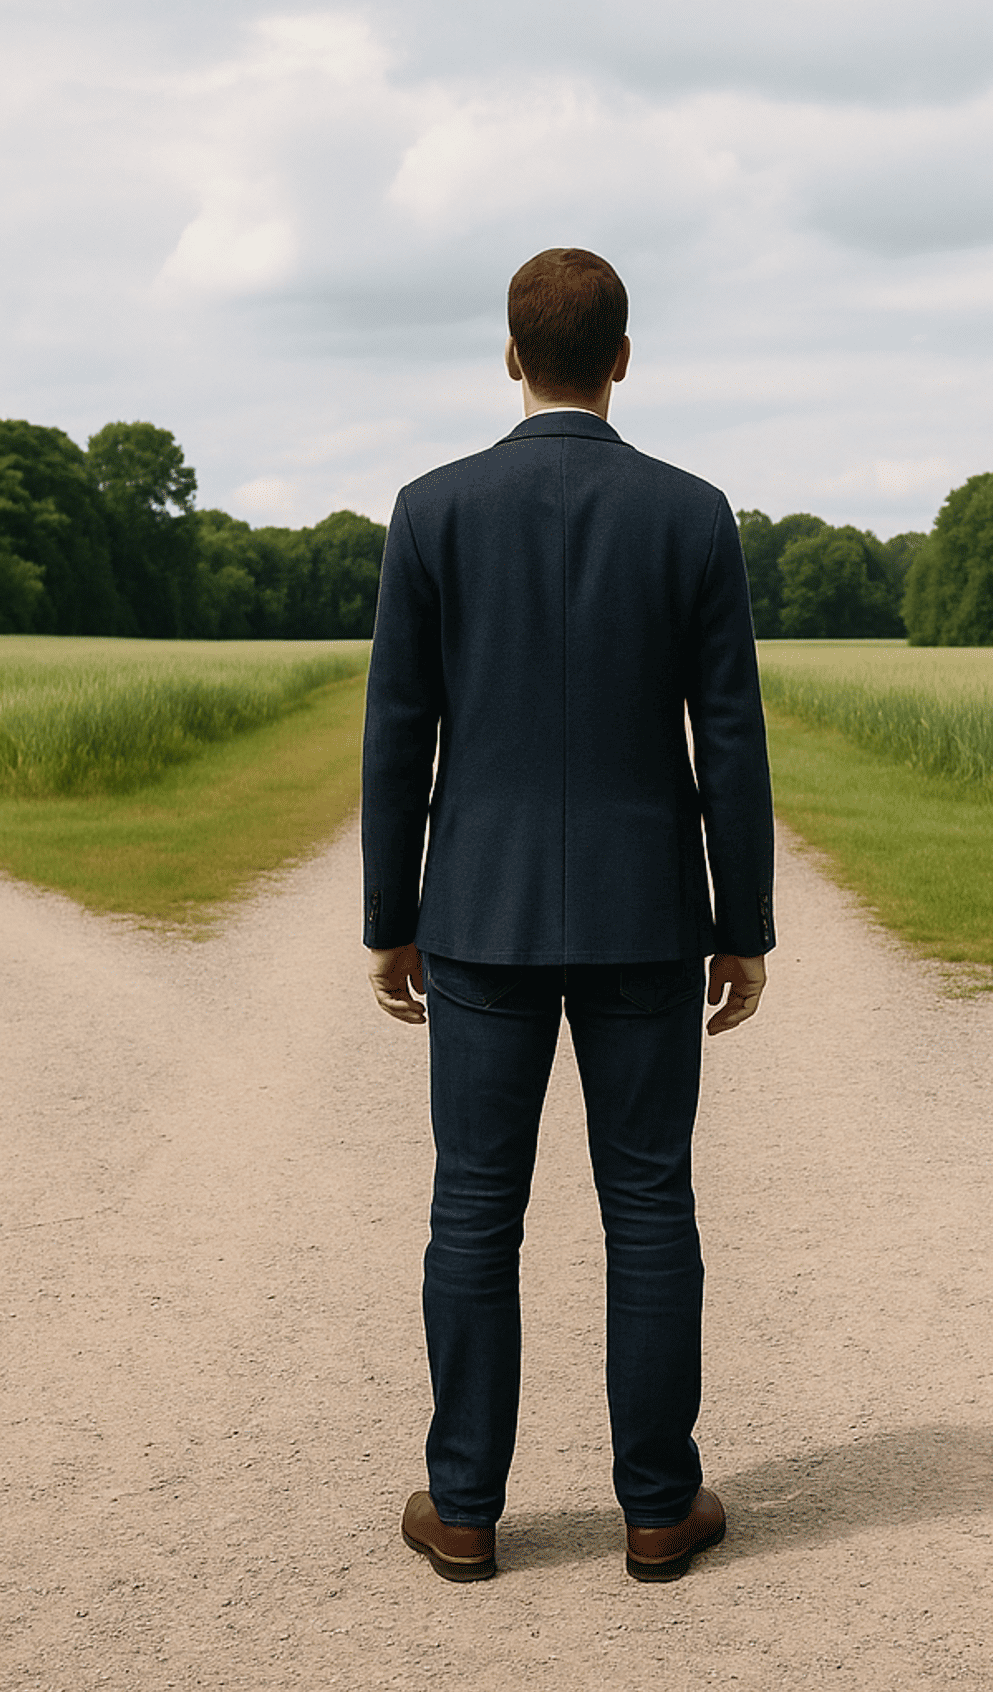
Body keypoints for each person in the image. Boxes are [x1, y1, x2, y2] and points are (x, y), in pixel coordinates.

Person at [361, 248, 775, 1584]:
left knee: (475, 1208)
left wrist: (391, 912)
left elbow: (397, 733)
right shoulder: (694, 515)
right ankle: (659, 1506)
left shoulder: (432, 509)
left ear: (508, 355)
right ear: (624, 357)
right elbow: (731, 737)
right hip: (648, 916)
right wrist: (744, 920)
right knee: (649, 1203)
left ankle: (465, 1510)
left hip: (477, 914)